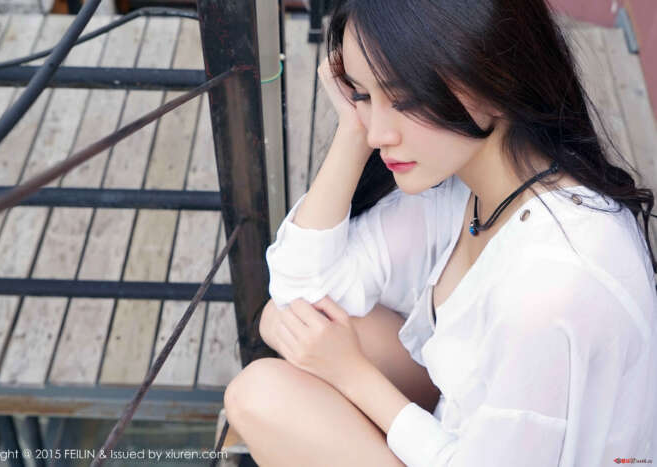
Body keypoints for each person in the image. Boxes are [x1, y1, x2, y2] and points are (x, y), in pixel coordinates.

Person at [223, 0, 657, 465]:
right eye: (362, 95)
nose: (377, 134)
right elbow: (300, 289)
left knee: (260, 396)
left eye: (404, 99)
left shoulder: (548, 287)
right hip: (463, 424)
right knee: (294, 320)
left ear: (495, 78)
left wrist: (352, 376)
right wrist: (351, 130)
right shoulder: (473, 189)